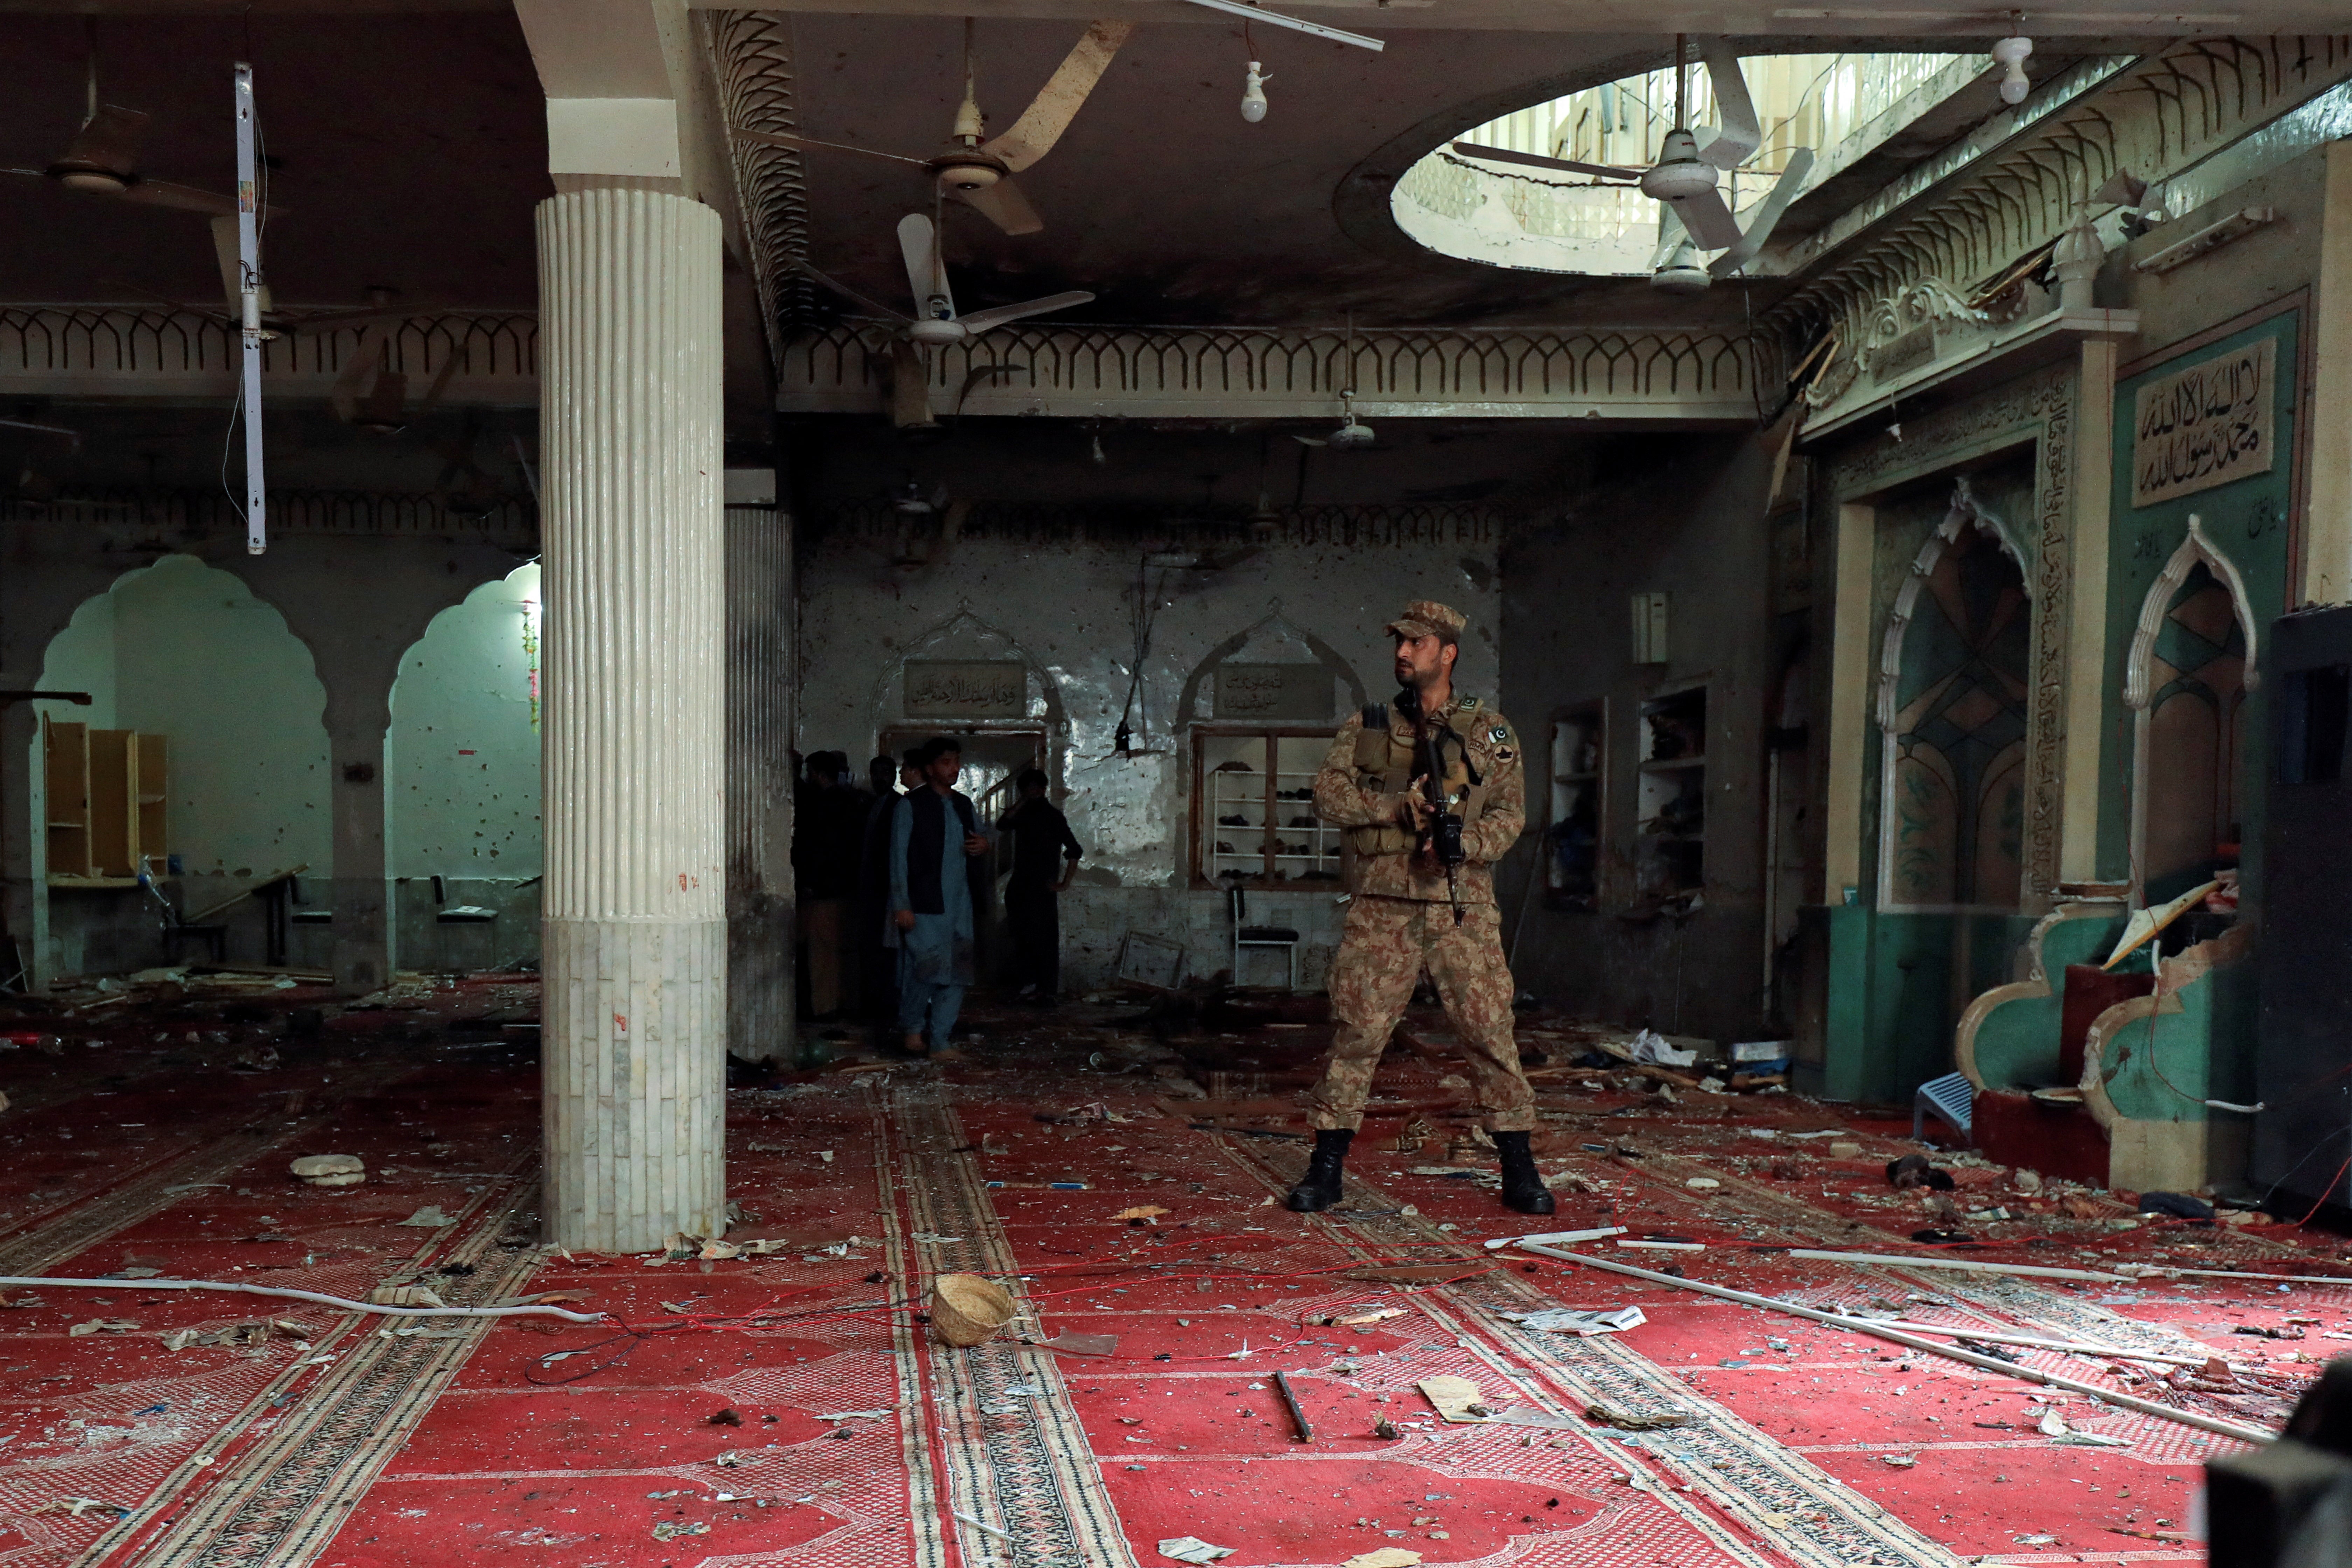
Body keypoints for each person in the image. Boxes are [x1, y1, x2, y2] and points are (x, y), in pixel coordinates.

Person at [1286, 600, 1553, 1217]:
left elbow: (1511, 816)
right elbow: (1327, 793)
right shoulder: (1370, 726)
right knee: (1358, 1035)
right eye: (1398, 643)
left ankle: (1519, 1166)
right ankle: (1325, 1169)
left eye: (1416, 643)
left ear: (1448, 652)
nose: (1402, 654)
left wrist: (1467, 844)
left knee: (1489, 1033)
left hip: (1461, 905)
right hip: (1383, 904)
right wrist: (1389, 809)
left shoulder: (1489, 732)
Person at [888, 736, 989, 1059]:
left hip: (960, 905)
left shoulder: (963, 805)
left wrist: (982, 847)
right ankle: (913, 1030)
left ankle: (942, 1040)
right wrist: (902, 904)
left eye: (957, 762)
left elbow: (981, 839)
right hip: (925, 904)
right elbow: (898, 859)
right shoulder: (911, 806)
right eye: (946, 763)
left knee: (957, 972)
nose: (954, 769)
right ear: (930, 768)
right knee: (924, 971)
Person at [854, 749, 927, 1030]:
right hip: (870, 891)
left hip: (889, 892)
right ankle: (876, 1004)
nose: (880, 778)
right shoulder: (873, 804)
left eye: (886, 773)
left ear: (896, 776)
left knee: (891, 953)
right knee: (873, 949)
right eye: (876, 774)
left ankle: (890, 1006)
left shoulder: (901, 805)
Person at [997, 768, 1083, 1004]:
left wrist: (1064, 884)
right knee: (1022, 936)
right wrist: (1022, 801)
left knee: (1042, 939)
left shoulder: (1053, 817)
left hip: (1041, 888)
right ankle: (1030, 984)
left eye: (1037, 787)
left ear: (1044, 788)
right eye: (1029, 788)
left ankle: (1045, 988)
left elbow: (1074, 850)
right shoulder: (1024, 814)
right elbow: (1002, 825)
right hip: (1020, 886)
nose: (1033, 791)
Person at [792, 751, 863, 1018]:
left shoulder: (819, 805)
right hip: (848, 888)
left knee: (822, 953)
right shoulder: (854, 801)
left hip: (824, 890)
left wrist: (810, 882)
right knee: (844, 951)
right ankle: (846, 1004)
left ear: (819, 773)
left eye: (809, 772)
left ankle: (826, 1008)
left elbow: (817, 849)